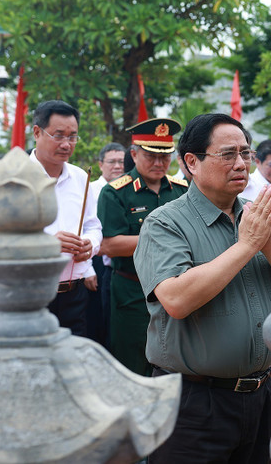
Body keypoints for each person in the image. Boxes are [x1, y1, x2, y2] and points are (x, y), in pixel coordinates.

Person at [134, 113, 271, 463]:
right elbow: (176, 299)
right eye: (228, 154)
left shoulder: (260, 216)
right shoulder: (165, 223)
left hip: (260, 395)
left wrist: (268, 245)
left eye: (246, 153)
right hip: (194, 403)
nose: (241, 163)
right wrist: (246, 246)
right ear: (191, 162)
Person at [98, 118, 187, 376]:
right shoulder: (116, 193)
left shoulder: (182, 190)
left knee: (174, 359)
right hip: (132, 290)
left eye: (165, 156)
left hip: (177, 286)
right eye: (151, 156)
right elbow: (110, 245)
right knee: (132, 359)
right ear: (134, 154)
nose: (159, 163)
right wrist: (164, 239)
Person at [30, 100, 102, 337]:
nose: (66, 144)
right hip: (30, 293)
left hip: (74, 293)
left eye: (72, 137)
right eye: (58, 135)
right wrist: (47, 243)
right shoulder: (13, 178)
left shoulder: (81, 178)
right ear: (37, 132)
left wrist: (89, 245)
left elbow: (93, 225)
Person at [87, 142, 126, 347]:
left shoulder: (128, 190)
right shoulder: (91, 189)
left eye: (122, 161)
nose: (118, 166)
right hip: (95, 259)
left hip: (121, 262)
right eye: (112, 162)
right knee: (98, 315)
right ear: (101, 164)